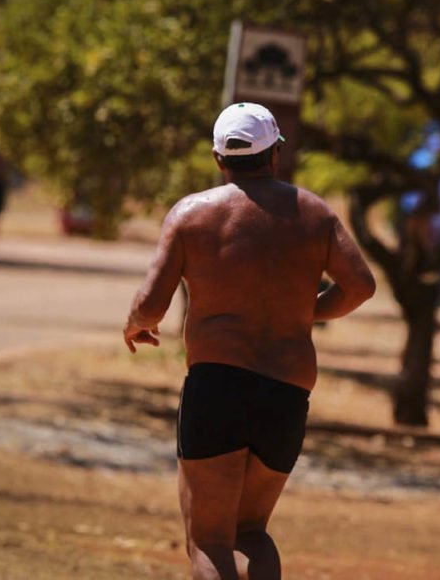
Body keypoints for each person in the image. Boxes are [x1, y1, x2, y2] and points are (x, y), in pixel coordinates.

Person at [123, 102, 376, 580]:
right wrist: (305, 312)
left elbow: (151, 306)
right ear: (275, 153)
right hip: (286, 390)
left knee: (209, 540)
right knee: (252, 533)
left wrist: (134, 322)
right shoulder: (315, 214)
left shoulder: (191, 215)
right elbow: (360, 285)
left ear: (219, 159)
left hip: (218, 382)